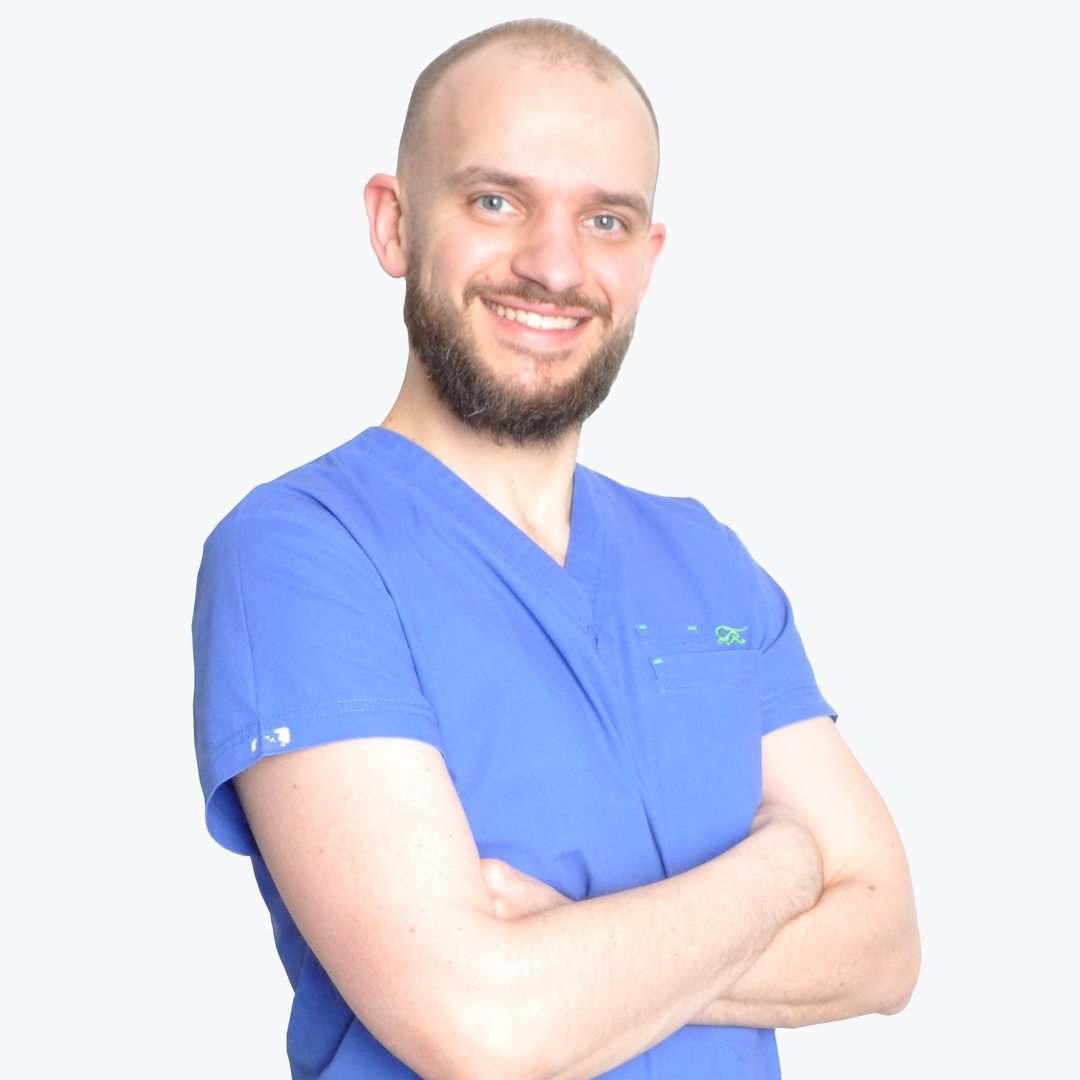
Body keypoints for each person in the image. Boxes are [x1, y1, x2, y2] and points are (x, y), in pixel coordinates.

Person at [193, 18, 919, 1080]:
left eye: (606, 220)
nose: (553, 265)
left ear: (648, 260)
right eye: (497, 201)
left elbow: (887, 945)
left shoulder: (706, 562)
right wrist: (784, 865)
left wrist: (576, 955)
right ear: (394, 224)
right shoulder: (302, 557)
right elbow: (484, 1023)